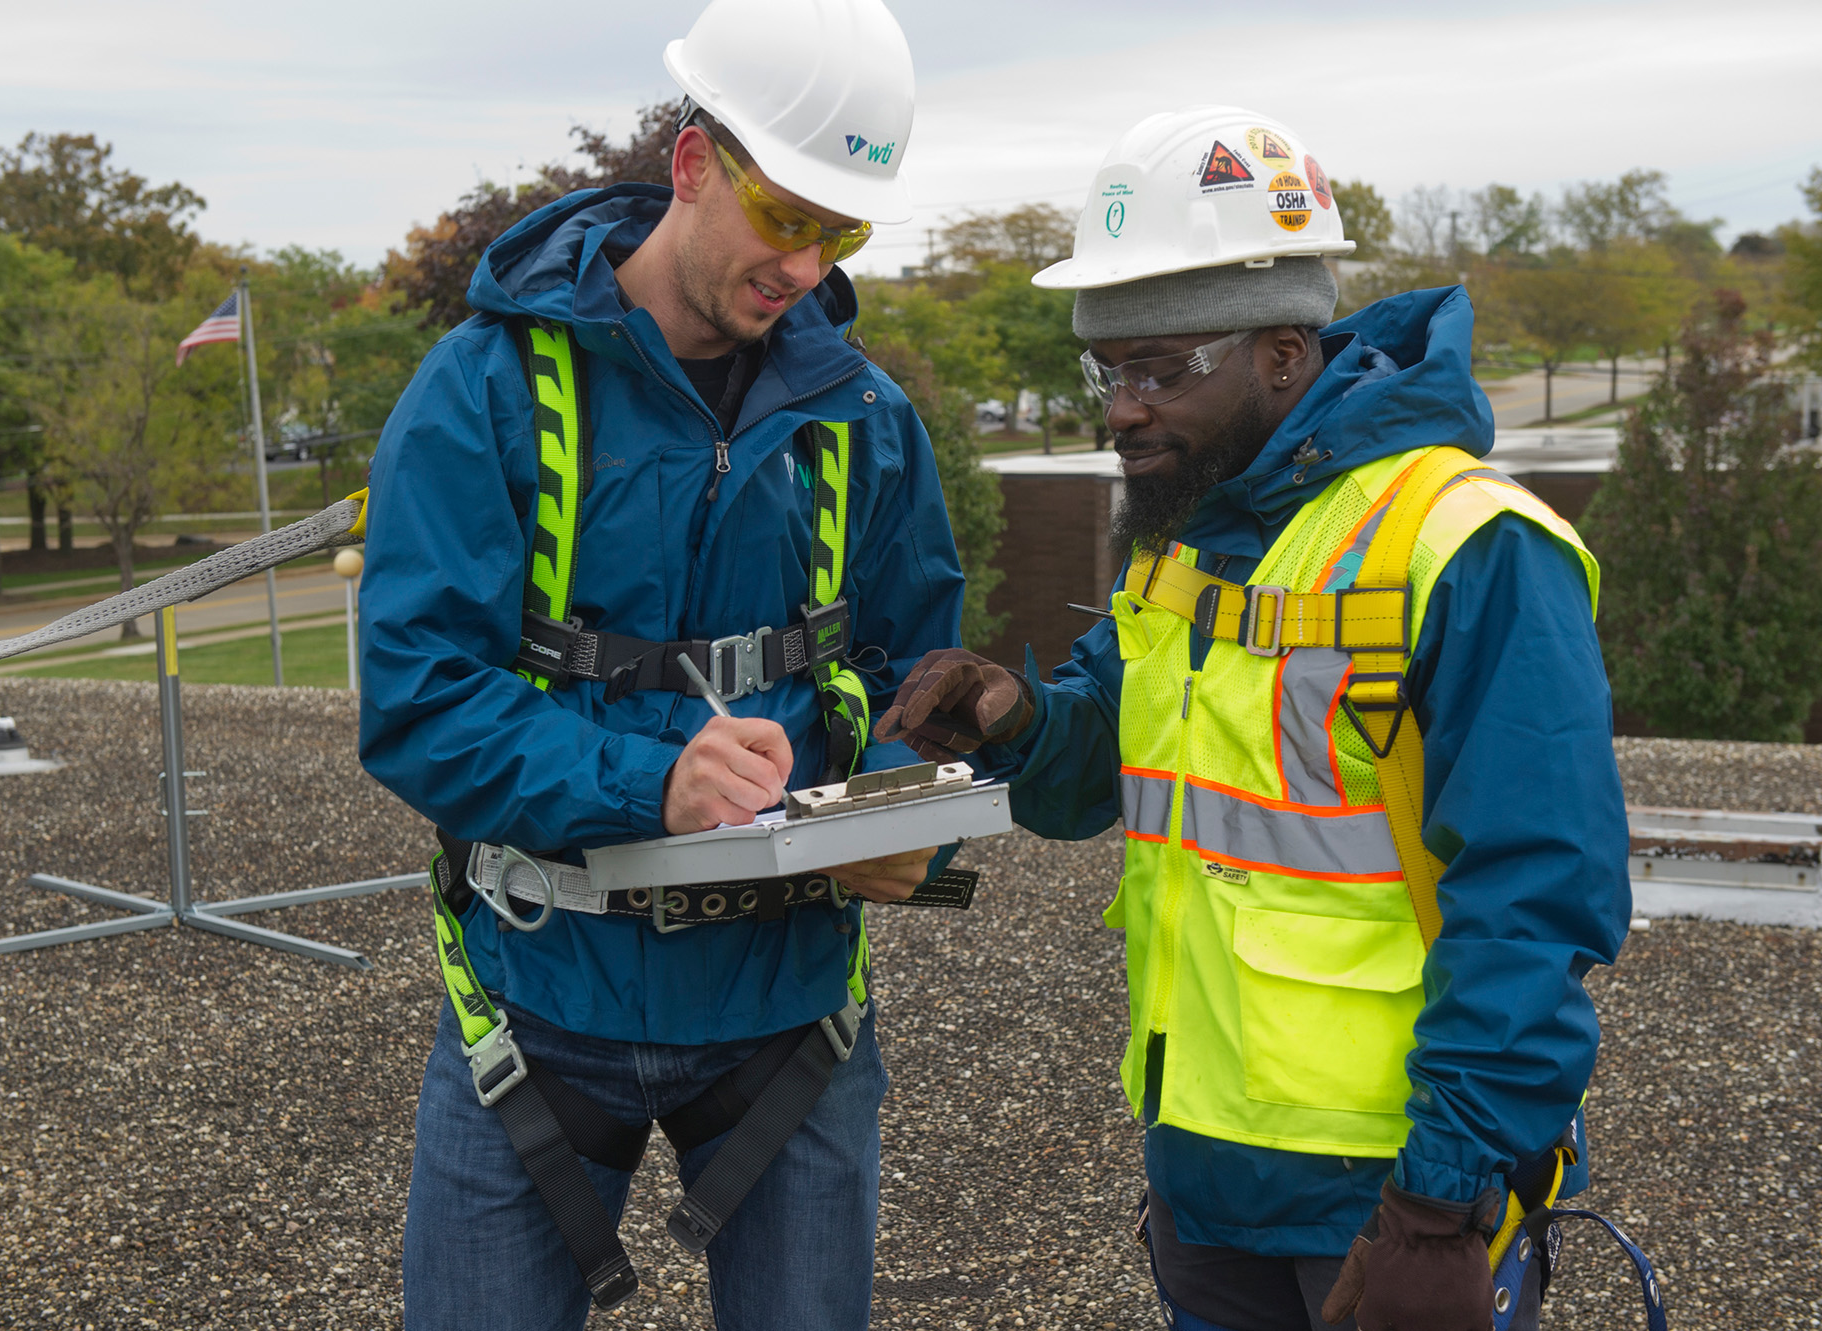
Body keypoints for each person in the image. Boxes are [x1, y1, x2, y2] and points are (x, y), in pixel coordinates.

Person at [876, 107, 1631, 1331]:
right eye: (1104, 371)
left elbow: (1536, 896)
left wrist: (1440, 1204)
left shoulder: (1464, 547)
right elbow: (1095, 784)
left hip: (1383, 1190)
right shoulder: (1181, 538)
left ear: (1285, 353)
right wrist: (1013, 716)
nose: (1119, 409)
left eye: (1159, 369)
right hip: (1201, 1168)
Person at [357, 2, 967, 1327]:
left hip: (791, 1009)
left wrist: (909, 801)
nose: (806, 266)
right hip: (535, 994)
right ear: (694, 164)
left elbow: (925, 663)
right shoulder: (486, 392)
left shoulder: (863, 417)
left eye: (840, 232)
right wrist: (652, 783)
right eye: (786, 214)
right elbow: (417, 701)